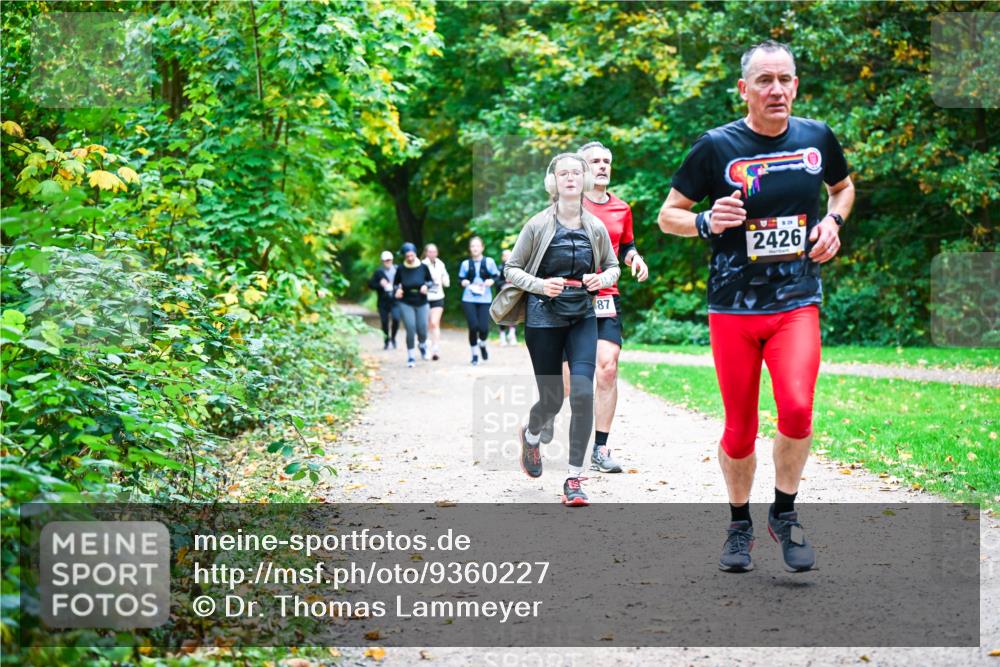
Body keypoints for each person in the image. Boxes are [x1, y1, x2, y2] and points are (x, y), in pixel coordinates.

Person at [657, 40, 855, 572]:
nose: (777, 90)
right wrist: (704, 220)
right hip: (733, 311)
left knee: (796, 407)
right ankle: (739, 524)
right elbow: (666, 215)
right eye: (764, 81)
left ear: (796, 85)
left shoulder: (816, 138)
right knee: (740, 428)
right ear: (744, 89)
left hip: (796, 303)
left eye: (785, 79)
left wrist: (832, 223)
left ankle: (784, 515)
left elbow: (842, 188)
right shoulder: (715, 147)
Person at [503, 153, 620, 507]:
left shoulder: (595, 226)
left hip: (582, 316)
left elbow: (613, 267)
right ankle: (532, 433)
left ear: (583, 180)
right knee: (553, 399)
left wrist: (601, 278)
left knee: (583, 394)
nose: (570, 177)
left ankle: (574, 479)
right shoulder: (537, 224)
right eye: (563, 173)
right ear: (553, 181)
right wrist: (540, 286)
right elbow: (512, 269)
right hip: (543, 318)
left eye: (576, 172)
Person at [576, 140, 650, 474]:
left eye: (607, 161)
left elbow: (627, 246)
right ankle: (536, 428)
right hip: (568, 296)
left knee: (607, 368)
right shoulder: (567, 206)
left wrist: (635, 258)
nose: (603, 166)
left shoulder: (622, 208)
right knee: (566, 382)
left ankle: (600, 450)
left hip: (606, 295)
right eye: (595, 161)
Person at [458, 236, 500, 366]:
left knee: (483, 328)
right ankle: (475, 355)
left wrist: (491, 281)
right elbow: (460, 279)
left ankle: (482, 343)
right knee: (473, 326)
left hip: (485, 298)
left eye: (477, 246)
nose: (475, 248)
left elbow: (496, 275)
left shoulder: (489, 262)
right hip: (468, 298)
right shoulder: (465, 264)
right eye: (472, 246)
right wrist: (463, 282)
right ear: (470, 249)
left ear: (482, 247)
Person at [393, 242, 434, 368]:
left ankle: (422, 345)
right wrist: (397, 290)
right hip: (406, 302)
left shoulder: (423, 267)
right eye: (407, 256)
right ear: (404, 256)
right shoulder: (400, 268)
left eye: (412, 255)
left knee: (422, 328)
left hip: (421, 301)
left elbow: (431, 281)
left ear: (415, 254)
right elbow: (396, 283)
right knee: (410, 328)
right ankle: (411, 356)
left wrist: (426, 286)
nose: (410, 258)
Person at [422, 243, 450, 361]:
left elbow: (446, 279)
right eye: (430, 252)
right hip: (425, 298)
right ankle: (426, 347)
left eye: (434, 252)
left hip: (438, 297)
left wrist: (443, 280)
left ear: (437, 253)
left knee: (434, 322)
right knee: (426, 325)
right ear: (426, 253)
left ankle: (435, 348)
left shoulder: (440, 264)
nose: (432, 254)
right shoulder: (422, 265)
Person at [368, 250, 400, 350]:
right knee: (384, 321)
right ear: (382, 261)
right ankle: (386, 341)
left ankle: (393, 338)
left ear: (392, 260)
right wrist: (380, 285)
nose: (388, 262)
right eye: (385, 260)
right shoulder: (378, 272)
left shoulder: (397, 270)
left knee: (396, 319)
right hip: (383, 301)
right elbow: (371, 285)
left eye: (389, 260)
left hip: (395, 300)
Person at [496, 249, 517, 346]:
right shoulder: (499, 268)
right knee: (502, 316)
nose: (507, 257)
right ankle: (502, 336)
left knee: (514, 314)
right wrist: (505, 283)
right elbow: (496, 282)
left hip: (513, 296)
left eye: (509, 255)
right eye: (505, 256)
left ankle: (512, 334)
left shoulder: (516, 269)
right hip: (502, 297)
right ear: (502, 257)